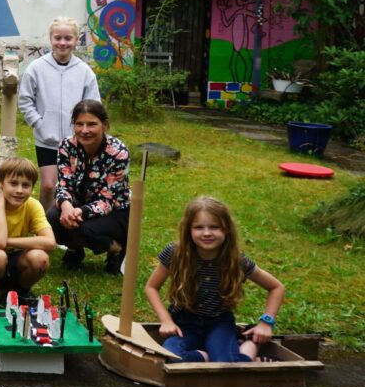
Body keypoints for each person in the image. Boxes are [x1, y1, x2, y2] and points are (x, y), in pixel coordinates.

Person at [144, 196, 285, 362]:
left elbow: (276, 287)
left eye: (214, 227)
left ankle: (249, 344)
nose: (207, 233)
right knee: (173, 357)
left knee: (225, 366)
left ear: (226, 229)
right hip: (184, 323)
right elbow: (151, 287)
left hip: (219, 323)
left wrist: (266, 322)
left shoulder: (236, 260)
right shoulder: (175, 253)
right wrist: (166, 321)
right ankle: (212, 357)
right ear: (188, 230)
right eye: (198, 227)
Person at [18, 16, 101, 209]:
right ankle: (43, 226)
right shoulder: (37, 68)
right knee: (49, 186)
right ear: (51, 39)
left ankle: (68, 224)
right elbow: (25, 99)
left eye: (67, 38)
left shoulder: (84, 71)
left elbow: (94, 104)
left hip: (77, 140)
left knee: (73, 186)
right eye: (58, 38)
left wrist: (83, 129)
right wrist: (39, 123)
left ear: (76, 40)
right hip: (47, 139)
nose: (62, 43)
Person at [45, 100, 130, 275]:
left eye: (92, 124)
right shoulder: (66, 146)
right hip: (79, 204)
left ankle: (116, 248)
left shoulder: (118, 152)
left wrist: (79, 212)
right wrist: (66, 206)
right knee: (52, 217)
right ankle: (74, 249)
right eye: (79, 124)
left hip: (115, 211)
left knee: (82, 228)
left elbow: (107, 200)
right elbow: (63, 184)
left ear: (105, 125)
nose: (84, 130)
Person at [0, 157, 56, 299]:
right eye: (13, 184)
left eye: (26, 185)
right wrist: (0, 206)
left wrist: (7, 241)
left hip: (18, 260)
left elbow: (50, 242)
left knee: (40, 258)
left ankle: (21, 292)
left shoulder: (33, 205)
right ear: (1, 184)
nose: (20, 190)